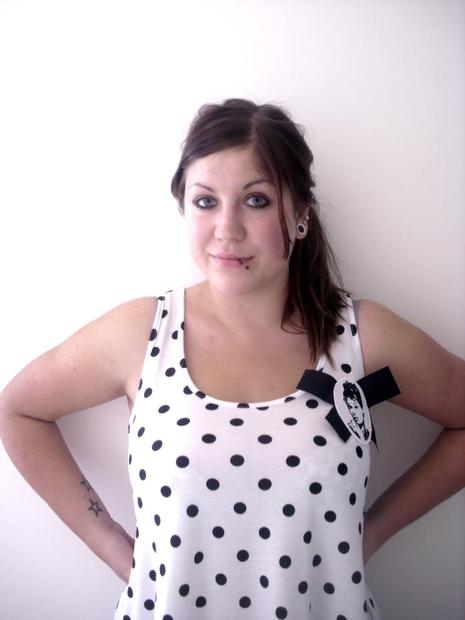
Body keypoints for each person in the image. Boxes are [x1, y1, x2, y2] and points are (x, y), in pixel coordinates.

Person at [0, 98, 464, 620]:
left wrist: (373, 531)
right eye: (205, 201)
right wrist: (112, 544)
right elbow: (18, 409)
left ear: (301, 214)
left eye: (256, 200)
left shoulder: (361, 337)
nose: (227, 228)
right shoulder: (141, 334)